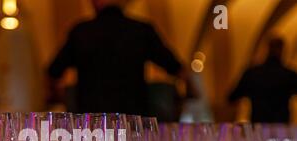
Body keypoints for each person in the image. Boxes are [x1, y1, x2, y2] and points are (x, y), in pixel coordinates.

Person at [47, 0, 193, 115]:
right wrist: (192, 93)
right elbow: (178, 69)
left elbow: (53, 73)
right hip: (133, 122)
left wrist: (59, 96)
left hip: (91, 126)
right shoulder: (141, 30)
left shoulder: (80, 32)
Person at [229, 37, 297, 123]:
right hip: (280, 127)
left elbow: (232, 97)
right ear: (282, 51)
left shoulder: (252, 73)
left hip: (258, 126)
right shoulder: (289, 75)